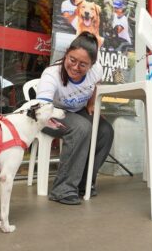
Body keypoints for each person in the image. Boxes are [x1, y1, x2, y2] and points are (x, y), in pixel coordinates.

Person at [36, 31, 114, 205]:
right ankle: (62, 189)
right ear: (66, 55)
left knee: (105, 131)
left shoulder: (96, 71)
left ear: (92, 65)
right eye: (72, 60)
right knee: (81, 127)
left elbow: (96, 84)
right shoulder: (52, 74)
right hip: (49, 114)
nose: (75, 67)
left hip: (76, 111)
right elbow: (41, 110)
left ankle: (83, 183)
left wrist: (91, 105)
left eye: (83, 64)